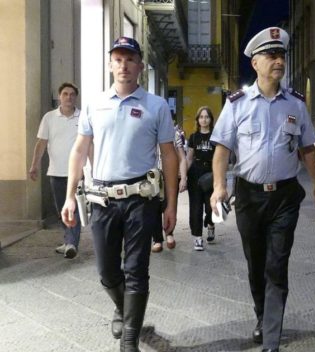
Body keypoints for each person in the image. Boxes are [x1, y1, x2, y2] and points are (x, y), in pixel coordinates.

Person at [209, 27, 315, 352]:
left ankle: (271, 336)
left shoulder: (296, 104)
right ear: (256, 62)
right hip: (248, 196)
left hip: (285, 197)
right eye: (271, 56)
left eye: (281, 55)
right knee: (256, 263)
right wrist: (219, 186)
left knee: (277, 263)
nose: (278, 61)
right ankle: (262, 316)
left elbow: (306, 149)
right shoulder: (237, 104)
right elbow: (221, 150)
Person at [61, 36, 178, 351]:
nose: (123, 65)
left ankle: (129, 340)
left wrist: (171, 206)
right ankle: (122, 307)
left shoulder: (155, 106)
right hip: (103, 200)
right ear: (110, 64)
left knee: (136, 269)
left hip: (141, 201)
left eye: (129, 59)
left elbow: (169, 156)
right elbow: (79, 149)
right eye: (118, 59)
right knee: (107, 271)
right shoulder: (94, 104)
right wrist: (70, 195)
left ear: (140, 65)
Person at [29, 82, 82, 259]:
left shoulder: (82, 117)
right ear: (60, 96)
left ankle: (72, 243)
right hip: (56, 172)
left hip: (76, 174)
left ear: (76, 97)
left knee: (73, 208)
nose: (69, 97)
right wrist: (34, 165)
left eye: (72, 94)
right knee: (61, 210)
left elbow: (89, 145)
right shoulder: (49, 118)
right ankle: (68, 240)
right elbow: (41, 143)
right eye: (65, 94)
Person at [151, 125, 188, 252]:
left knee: (170, 204)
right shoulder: (148, 129)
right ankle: (157, 239)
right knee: (154, 205)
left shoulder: (175, 134)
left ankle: (169, 233)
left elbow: (182, 158)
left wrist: (183, 177)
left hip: (171, 175)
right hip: (152, 176)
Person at [186, 106, 216, 251]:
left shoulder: (216, 137)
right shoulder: (193, 137)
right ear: (198, 120)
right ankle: (197, 238)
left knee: (211, 207)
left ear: (211, 119)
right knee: (196, 207)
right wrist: (184, 175)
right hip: (195, 174)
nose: (204, 119)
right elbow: (189, 158)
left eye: (207, 117)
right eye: (201, 117)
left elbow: (220, 159)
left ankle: (211, 223)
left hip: (211, 174)